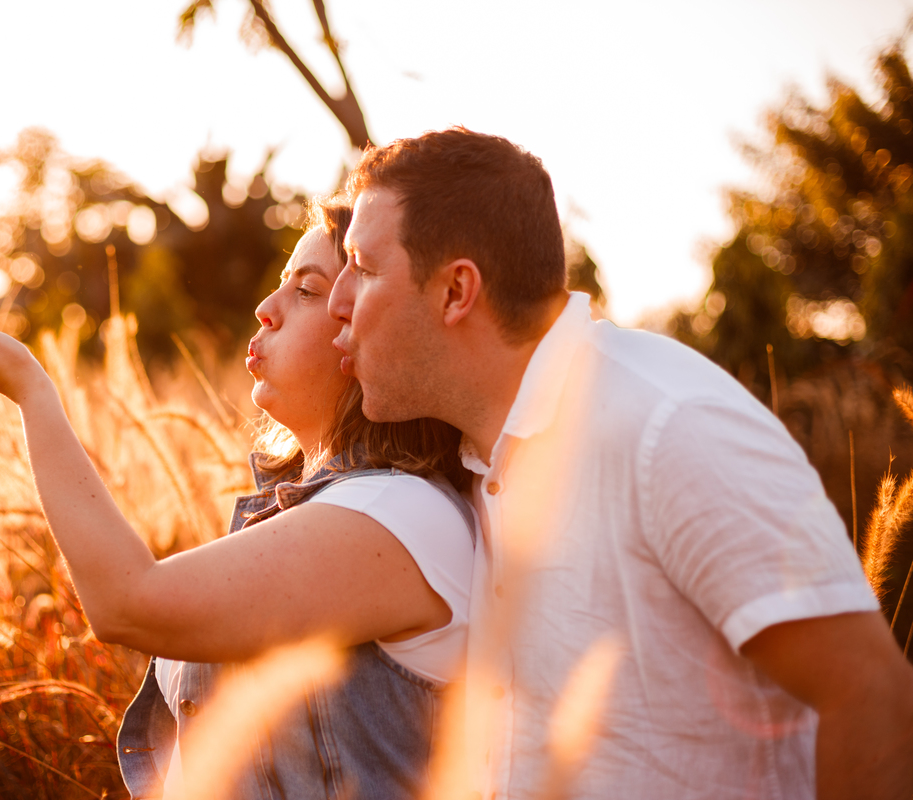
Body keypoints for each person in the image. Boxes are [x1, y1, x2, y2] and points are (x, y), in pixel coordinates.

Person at [326, 127, 913, 799]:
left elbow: (872, 697)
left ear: (457, 291)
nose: (340, 302)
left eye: (365, 268)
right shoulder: (482, 460)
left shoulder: (667, 424)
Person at [0, 196, 476, 800]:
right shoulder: (314, 513)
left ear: (364, 322)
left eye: (306, 291)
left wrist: (33, 392)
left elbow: (129, 604)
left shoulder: (401, 518)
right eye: (279, 286)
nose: (266, 312)